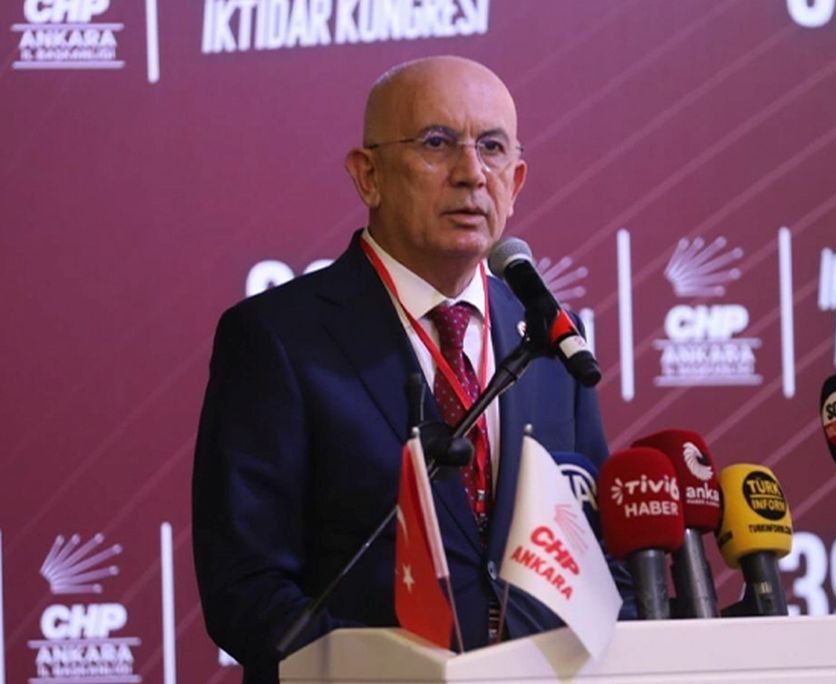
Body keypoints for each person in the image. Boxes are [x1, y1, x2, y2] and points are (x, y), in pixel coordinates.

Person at [192, 56, 627, 683]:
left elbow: (597, 552)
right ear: (368, 175)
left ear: (517, 180)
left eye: (492, 148)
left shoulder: (549, 338)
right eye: (436, 143)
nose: (471, 174)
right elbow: (246, 587)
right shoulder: (278, 338)